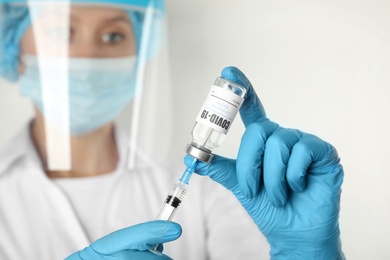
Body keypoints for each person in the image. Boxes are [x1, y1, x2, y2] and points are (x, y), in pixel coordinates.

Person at [0, 1, 344, 260]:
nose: (88, 57)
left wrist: (303, 252)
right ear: (14, 50)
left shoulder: (218, 192)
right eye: (60, 33)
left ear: (139, 55)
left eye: (112, 35)